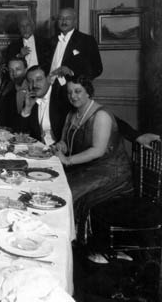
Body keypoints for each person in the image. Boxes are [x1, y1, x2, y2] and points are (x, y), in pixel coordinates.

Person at [52, 76, 133, 244]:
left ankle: (66, 241)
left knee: (68, 193)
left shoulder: (101, 115)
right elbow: (67, 143)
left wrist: (67, 160)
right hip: (88, 168)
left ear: (88, 92)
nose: (73, 96)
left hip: (111, 171)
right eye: (69, 92)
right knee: (55, 185)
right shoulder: (72, 114)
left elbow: (98, 150)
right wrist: (61, 146)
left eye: (78, 91)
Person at [14, 65, 70, 144]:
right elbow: (19, 134)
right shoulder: (30, 99)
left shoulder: (62, 97)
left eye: (39, 79)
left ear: (49, 79)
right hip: (38, 152)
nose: (34, 85)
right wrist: (27, 109)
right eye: (30, 81)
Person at [48, 7, 103, 82]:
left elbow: (97, 69)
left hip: (72, 89)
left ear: (75, 21)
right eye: (61, 18)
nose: (64, 21)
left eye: (68, 18)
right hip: (50, 89)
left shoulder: (87, 40)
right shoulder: (51, 41)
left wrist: (71, 72)